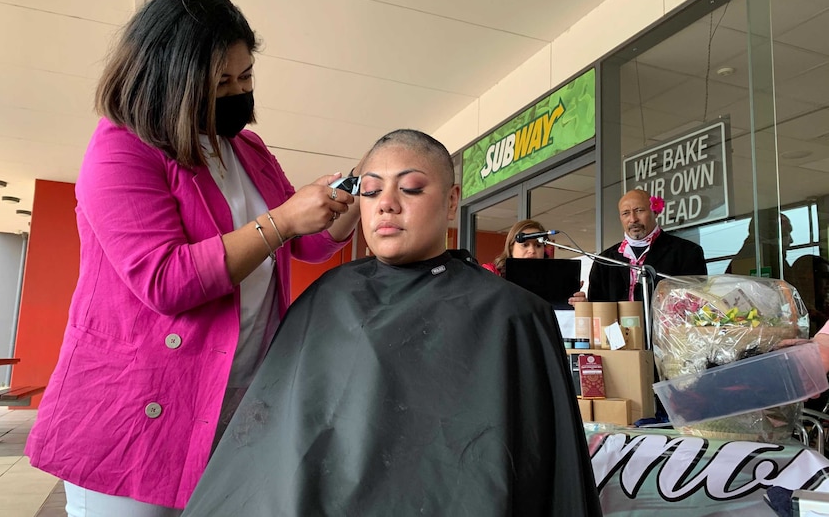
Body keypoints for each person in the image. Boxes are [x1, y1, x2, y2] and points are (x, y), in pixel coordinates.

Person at [24, 0, 360, 516]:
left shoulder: (245, 148)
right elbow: (166, 280)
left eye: (245, 76)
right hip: (133, 412)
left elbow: (302, 243)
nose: (236, 92)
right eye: (219, 81)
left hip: (232, 398)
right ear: (170, 81)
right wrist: (283, 219)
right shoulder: (122, 146)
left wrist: (344, 211)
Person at [181, 129, 602, 516]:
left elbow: (543, 474)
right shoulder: (325, 299)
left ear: (452, 200)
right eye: (371, 190)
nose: (386, 202)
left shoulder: (514, 315)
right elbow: (268, 459)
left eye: (412, 187)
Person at [569, 189, 707, 304]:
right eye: (626, 213)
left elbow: (695, 304)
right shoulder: (604, 260)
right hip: (619, 336)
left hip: (666, 335)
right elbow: (598, 307)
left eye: (639, 210)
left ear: (655, 212)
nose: (633, 219)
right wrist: (584, 306)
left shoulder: (687, 252)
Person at [726, 212, 793, 279]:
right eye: (786, 232)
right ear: (773, 234)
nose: (791, 240)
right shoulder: (768, 260)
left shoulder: (740, 262)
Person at [482, 218, 554, 277]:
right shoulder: (492, 274)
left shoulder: (553, 276)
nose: (532, 251)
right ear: (511, 248)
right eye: (525, 245)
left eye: (538, 245)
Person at [790, 254, 829, 337]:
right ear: (804, 279)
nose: (828, 283)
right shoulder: (789, 310)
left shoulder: (825, 308)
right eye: (825, 277)